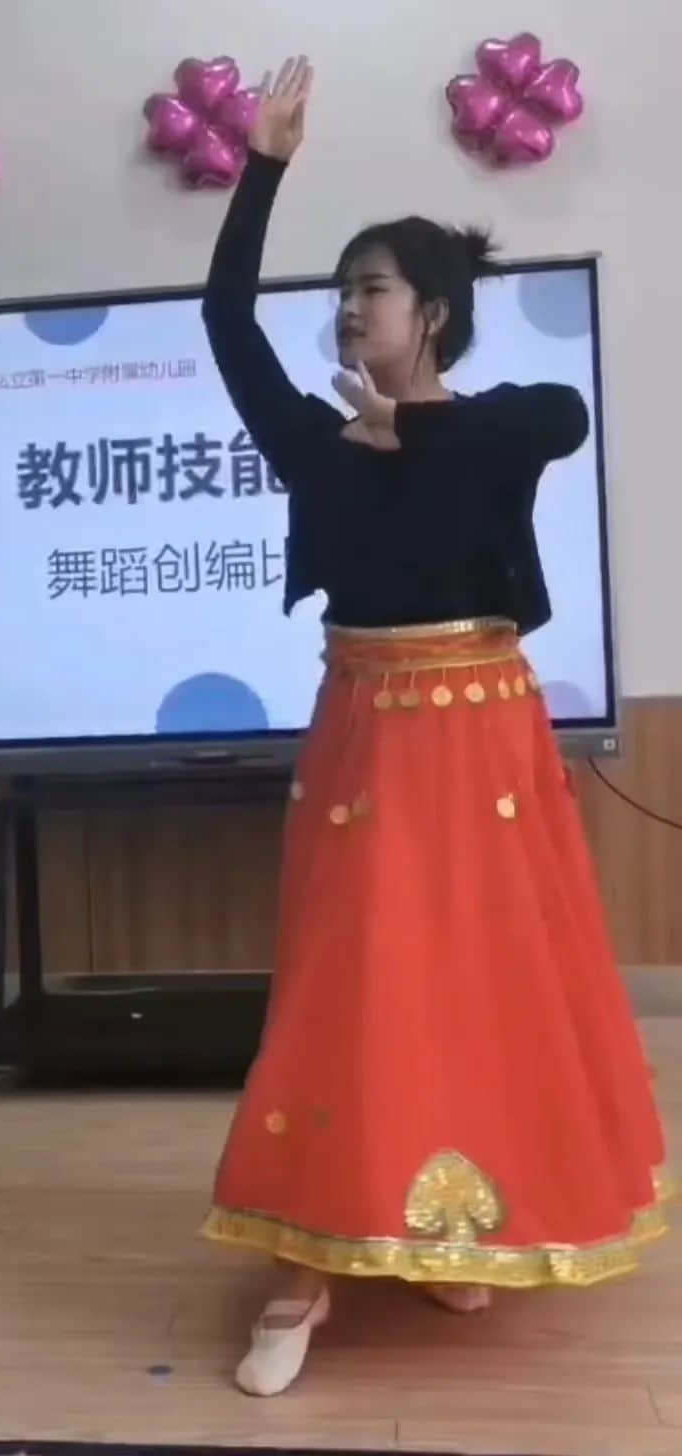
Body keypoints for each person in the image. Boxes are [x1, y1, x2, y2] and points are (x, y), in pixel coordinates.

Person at [199, 56, 671, 1399]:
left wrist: (415, 428)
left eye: (374, 287)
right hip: (366, 737)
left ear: (435, 314)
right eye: (344, 290)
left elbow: (565, 414)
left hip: (482, 738)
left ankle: (454, 1224)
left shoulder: (497, 429)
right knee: (352, 988)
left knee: (477, 982)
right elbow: (226, 317)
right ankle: (303, 1270)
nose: (351, 308)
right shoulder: (310, 441)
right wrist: (263, 166)